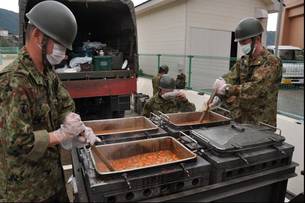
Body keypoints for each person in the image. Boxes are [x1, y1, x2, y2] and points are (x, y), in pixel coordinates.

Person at [0, 1, 100, 202]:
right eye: (60, 45)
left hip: (53, 181)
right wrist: (61, 134)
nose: (63, 53)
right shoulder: (13, 80)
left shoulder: (47, 73)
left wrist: (78, 128)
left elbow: (64, 105)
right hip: (26, 191)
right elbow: (17, 141)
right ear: (37, 35)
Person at [209, 17, 282, 127]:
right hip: (241, 120)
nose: (242, 45)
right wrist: (220, 85)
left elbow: (255, 89)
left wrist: (227, 89)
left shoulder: (271, 62)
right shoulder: (244, 61)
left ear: (257, 39)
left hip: (261, 124)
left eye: (244, 41)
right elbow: (232, 77)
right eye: (240, 42)